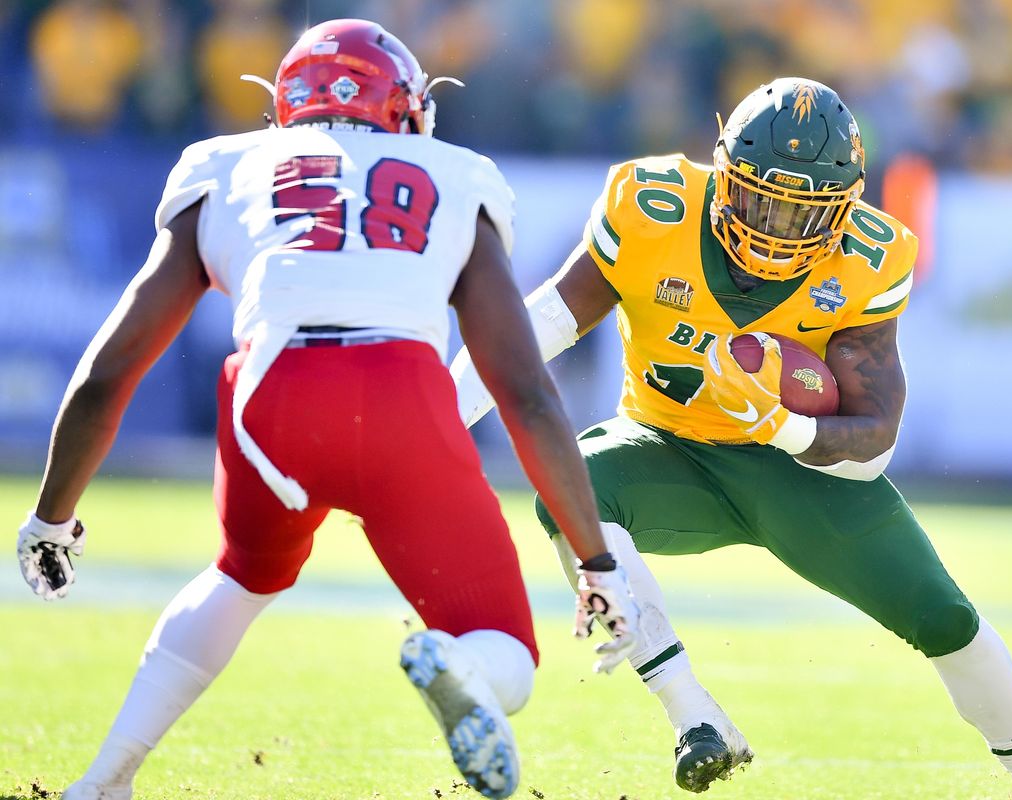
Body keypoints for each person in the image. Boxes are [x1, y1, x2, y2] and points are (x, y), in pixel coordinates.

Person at [15, 19, 640, 800]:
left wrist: (51, 517)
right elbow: (524, 391)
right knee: (505, 650)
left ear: (286, 109)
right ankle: (462, 667)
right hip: (401, 400)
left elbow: (112, 367)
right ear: (406, 110)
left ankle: (104, 781)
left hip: (267, 400)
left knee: (243, 574)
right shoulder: (456, 174)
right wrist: (596, 560)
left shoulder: (226, 165)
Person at [450, 77, 1012, 799]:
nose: (776, 227)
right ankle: (694, 716)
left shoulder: (869, 258)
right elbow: (538, 328)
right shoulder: (653, 205)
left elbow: (875, 441)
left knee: (945, 618)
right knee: (573, 492)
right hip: (669, 448)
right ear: (724, 172)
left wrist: (779, 424)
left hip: (802, 471)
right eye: (762, 198)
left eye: (801, 211)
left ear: (844, 210)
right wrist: (438, 417)